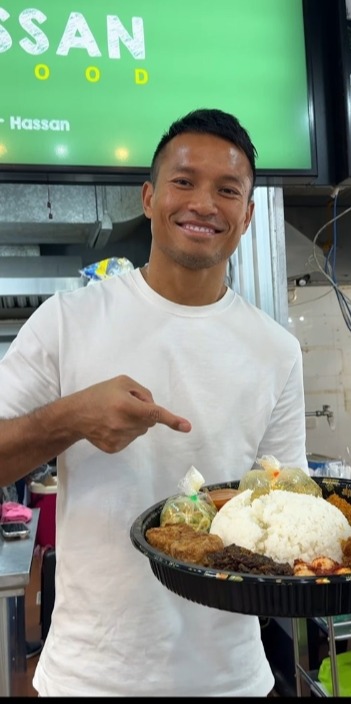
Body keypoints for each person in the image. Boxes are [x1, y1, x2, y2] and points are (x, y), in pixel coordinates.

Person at [0, 108, 308, 697]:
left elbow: (282, 506)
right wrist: (72, 417)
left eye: (228, 190)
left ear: (247, 215)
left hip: (231, 678)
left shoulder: (277, 351)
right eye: (184, 181)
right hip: (91, 677)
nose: (204, 204)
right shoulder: (68, 320)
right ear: (149, 197)